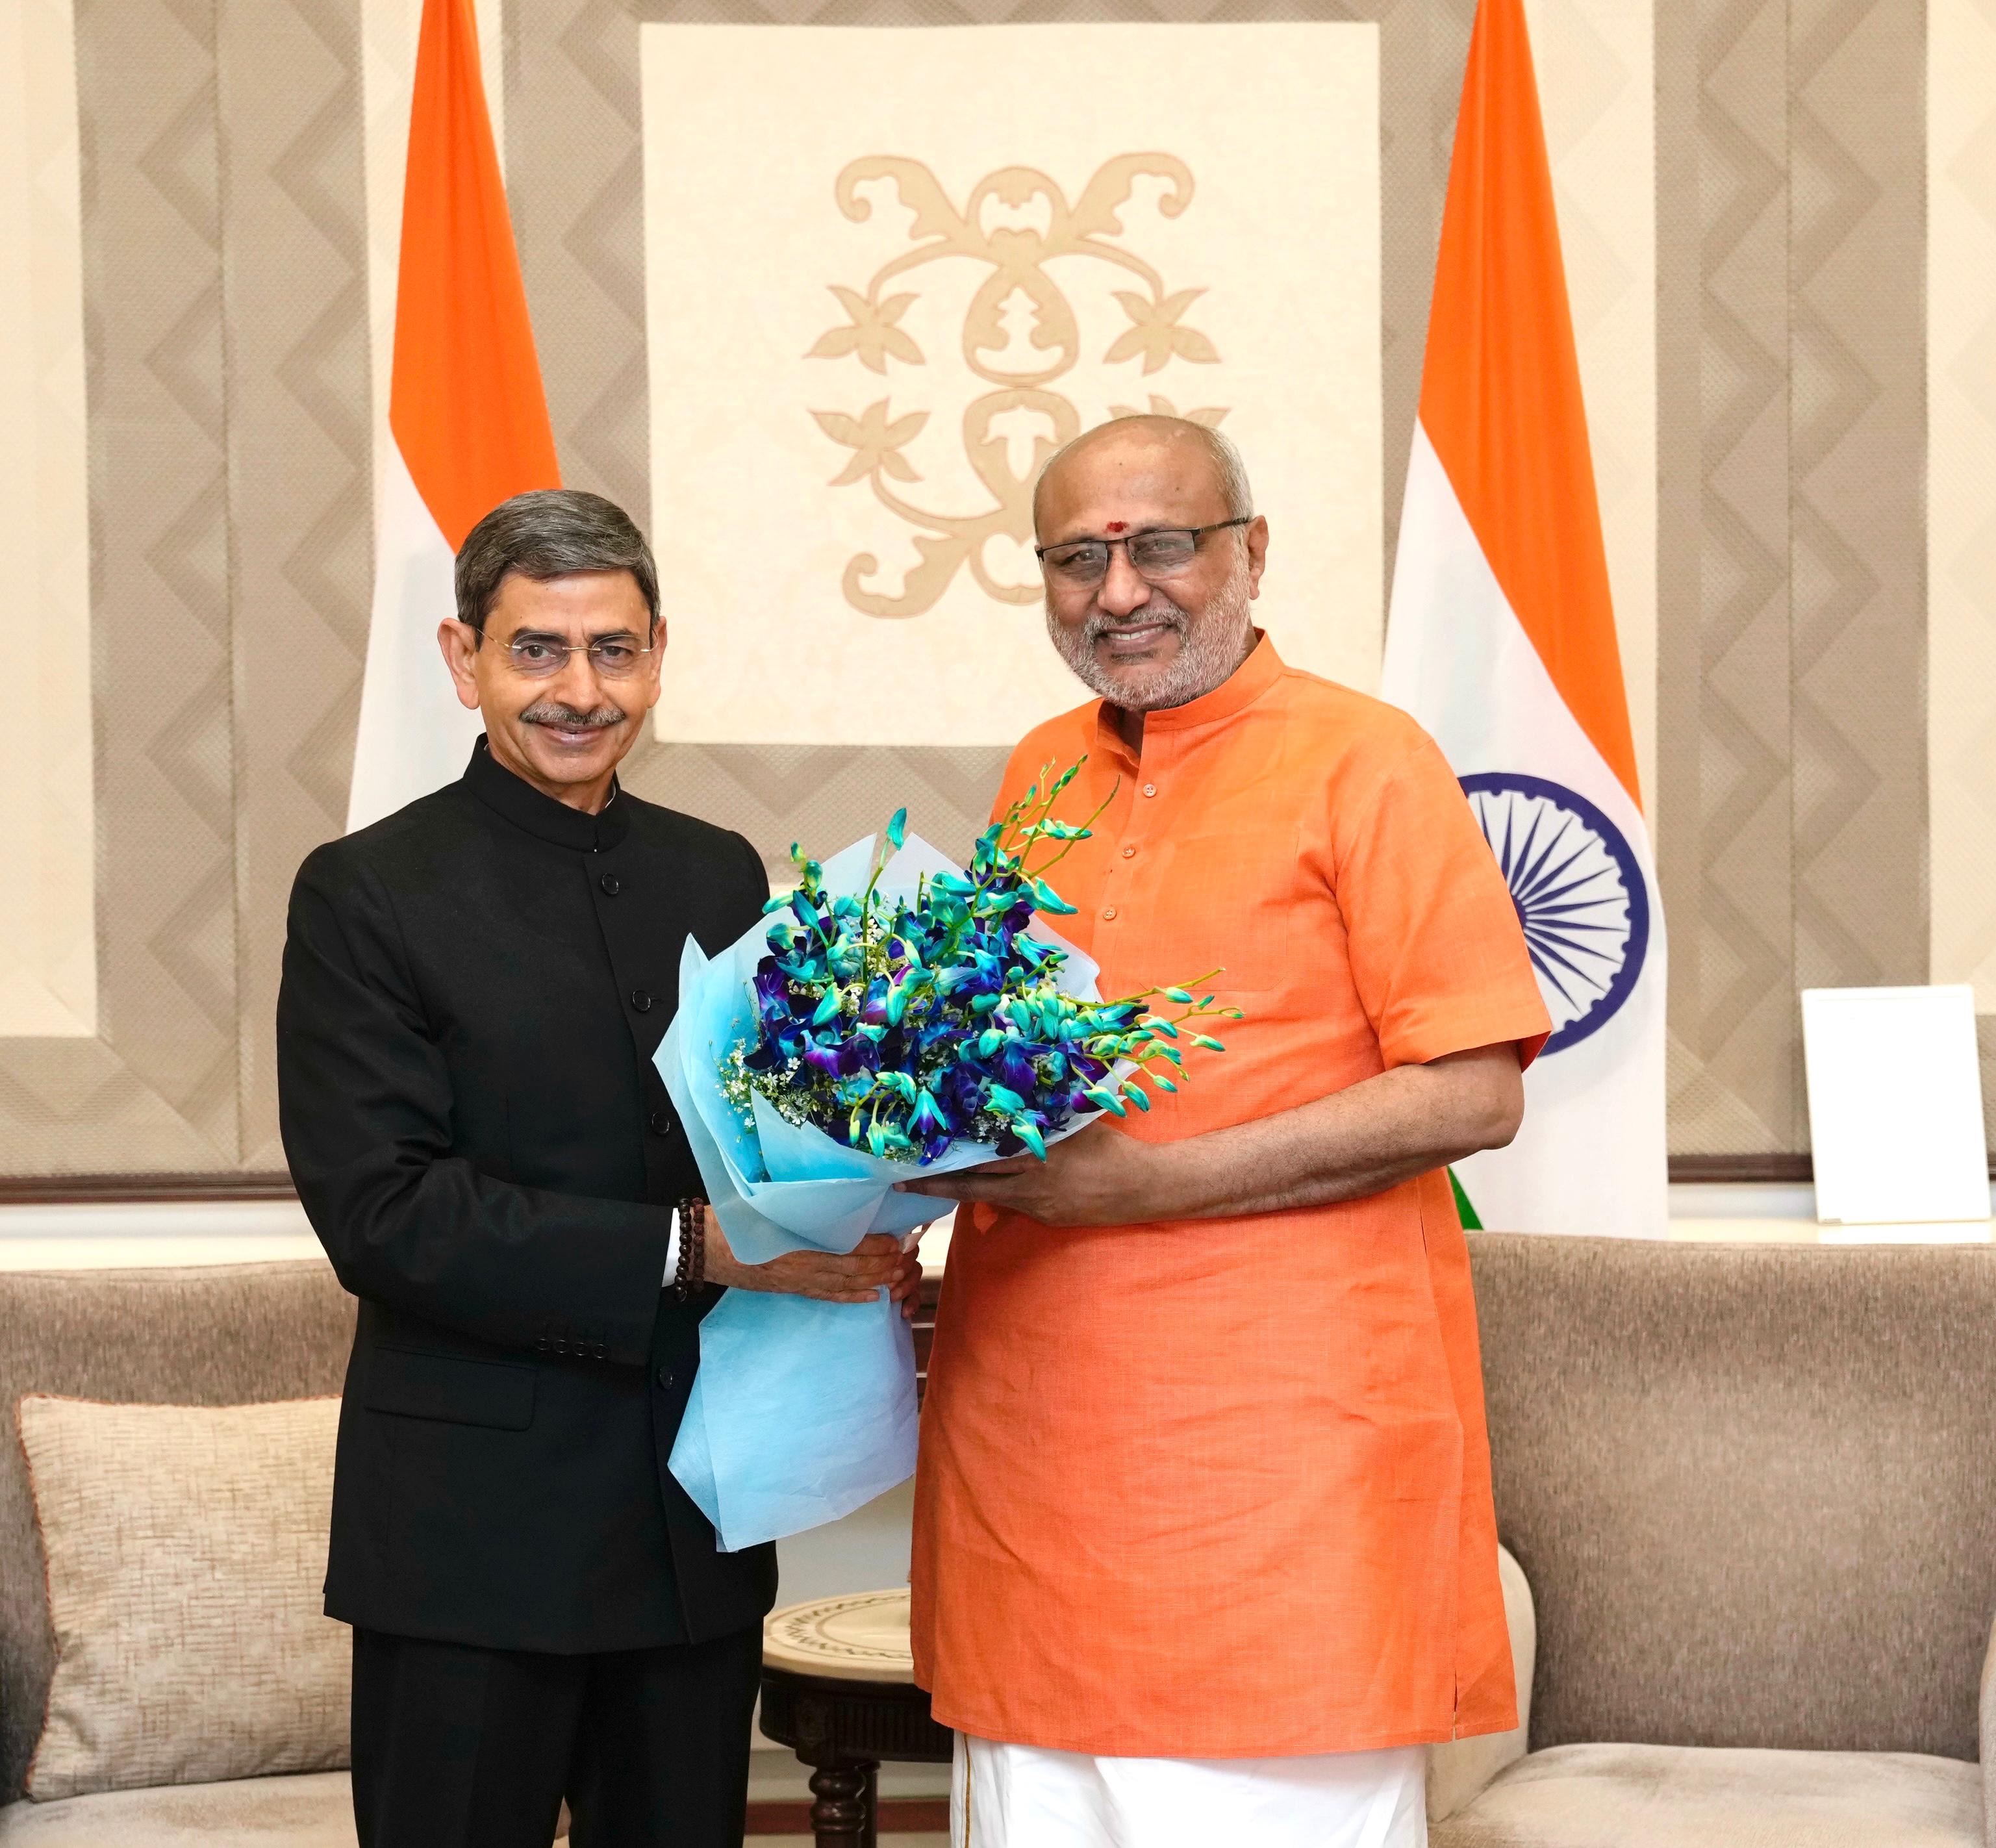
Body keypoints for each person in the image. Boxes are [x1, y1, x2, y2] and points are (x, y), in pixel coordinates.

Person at [900, 417, 1552, 1847]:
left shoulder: (1367, 759)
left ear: (1249, 553)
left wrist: (1147, 1187)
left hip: (1274, 1473)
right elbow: (1007, 1080)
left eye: (1158, 545)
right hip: (1031, 1455)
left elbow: (1472, 1090)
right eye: (1077, 557)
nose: (1117, 591)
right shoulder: (1041, 770)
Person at [277, 488, 918, 1848]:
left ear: (658, 652)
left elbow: (775, 1135)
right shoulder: (364, 893)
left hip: (693, 1523)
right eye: (538, 651)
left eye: (613, 650)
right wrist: (696, 1248)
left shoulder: (717, 872)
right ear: (465, 661)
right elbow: (385, 1214)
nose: (581, 690)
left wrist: (880, 1197)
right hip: (468, 1547)